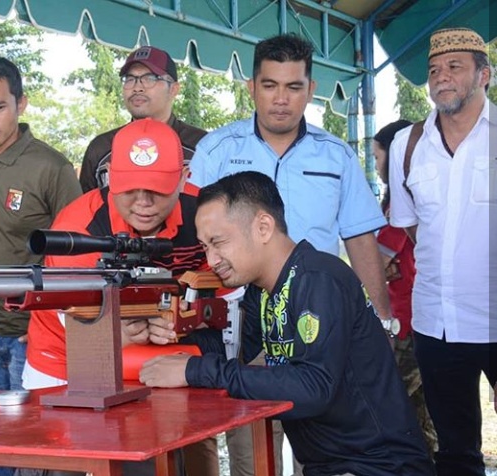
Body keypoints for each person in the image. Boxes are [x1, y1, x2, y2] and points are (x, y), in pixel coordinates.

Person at [186, 33, 394, 476]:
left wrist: (382, 323)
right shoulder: (216, 151)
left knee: (320, 439)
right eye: (270, 85)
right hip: (243, 323)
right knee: (249, 451)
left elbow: (360, 241)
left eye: (294, 87)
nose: (281, 99)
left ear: (310, 90)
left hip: (318, 320)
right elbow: (196, 239)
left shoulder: (336, 155)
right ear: (251, 87)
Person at [139, 171, 436, 476]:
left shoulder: (318, 278)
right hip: (330, 466)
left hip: (380, 467)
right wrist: (170, 338)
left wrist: (194, 369)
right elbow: (234, 348)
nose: (212, 259)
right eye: (204, 247)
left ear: (263, 227)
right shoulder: (263, 290)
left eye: (218, 242)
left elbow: (314, 387)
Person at [25, 118, 217, 476]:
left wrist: (186, 321)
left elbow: (231, 296)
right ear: (109, 175)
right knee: (66, 457)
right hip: (65, 357)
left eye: (158, 189)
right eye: (129, 188)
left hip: (163, 354)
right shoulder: (77, 229)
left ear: (184, 176)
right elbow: (71, 323)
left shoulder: (206, 214)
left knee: (191, 442)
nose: (143, 203)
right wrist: (113, 334)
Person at [0, 56, 82, 476]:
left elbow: (78, 256)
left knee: (36, 459)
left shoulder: (51, 167)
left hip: (37, 338)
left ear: (21, 103)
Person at [388, 27, 496, 476]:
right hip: (436, 323)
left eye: (455, 67)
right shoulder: (407, 145)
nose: (441, 78)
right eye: (434, 70)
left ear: (484, 75)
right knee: (455, 450)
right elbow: (411, 226)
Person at [373, 119, 438, 456]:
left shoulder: (400, 202)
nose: (377, 166)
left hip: (407, 323)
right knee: (422, 415)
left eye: (378, 157)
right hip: (420, 319)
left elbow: (377, 261)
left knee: (384, 405)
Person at [78, 45, 206, 193]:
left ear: (173, 89)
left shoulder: (202, 147)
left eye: (149, 78)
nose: (137, 88)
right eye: (130, 79)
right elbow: (86, 209)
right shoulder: (101, 148)